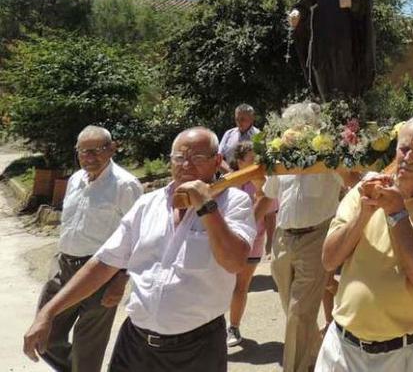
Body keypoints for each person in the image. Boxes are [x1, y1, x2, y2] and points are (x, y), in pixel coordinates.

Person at [24, 127, 257, 371]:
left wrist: (206, 206)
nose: (186, 165)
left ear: (217, 161)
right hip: (136, 345)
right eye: (179, 157)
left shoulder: (233, 203)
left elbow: (234, 262)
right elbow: (104, 262)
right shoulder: (148, 204)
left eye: (197, 158)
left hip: (197, 348)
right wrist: (48, 313)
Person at [316, 117, 413, 372]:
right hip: (343, 349)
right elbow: (329, 259)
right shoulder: (365, 191)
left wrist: (397, 212)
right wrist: (363, 213)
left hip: (406, 355)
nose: (408, 157)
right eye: (404, 148)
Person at [30, 125, 143, 372]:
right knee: (45, 336)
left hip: (100, 272)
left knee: (88, 346)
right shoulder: (75, 179)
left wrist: (121, 278)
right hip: (63, 266)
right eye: (83, 151)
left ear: (112, 149)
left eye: (96, 150)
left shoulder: (125, 185)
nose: (90, 157)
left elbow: (139, 236)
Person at [261, 103, 355, 372]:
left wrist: (328, 156)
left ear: (314, 128)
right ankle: (317, 358)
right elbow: (269, 191)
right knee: (292, 311)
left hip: (316, 237)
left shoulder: (328, 155)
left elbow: (350, 180)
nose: (296, 131)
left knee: (299, 313)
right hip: (282, 238)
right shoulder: (281, 156)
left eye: (303, 126)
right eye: (292, 126)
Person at [226, 141, 278, 347]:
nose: (257, 163)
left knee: (240, 286)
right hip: (225, 241)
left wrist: (271, 243)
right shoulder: (226, 183)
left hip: (252, 242)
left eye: (258, 159)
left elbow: (271, 215)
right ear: (239, 162)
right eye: (251, 159)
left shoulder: (264, 184)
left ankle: (234, 327)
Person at [218, 103, 260, 173]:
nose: (239, 122)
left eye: (242, 119)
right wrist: (230, 172)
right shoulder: (228, 134)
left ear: (252, 119)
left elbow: (261, 161)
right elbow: (218, 158)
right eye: (237, 119)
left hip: (251, 178)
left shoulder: (258, 136)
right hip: (229, 177)